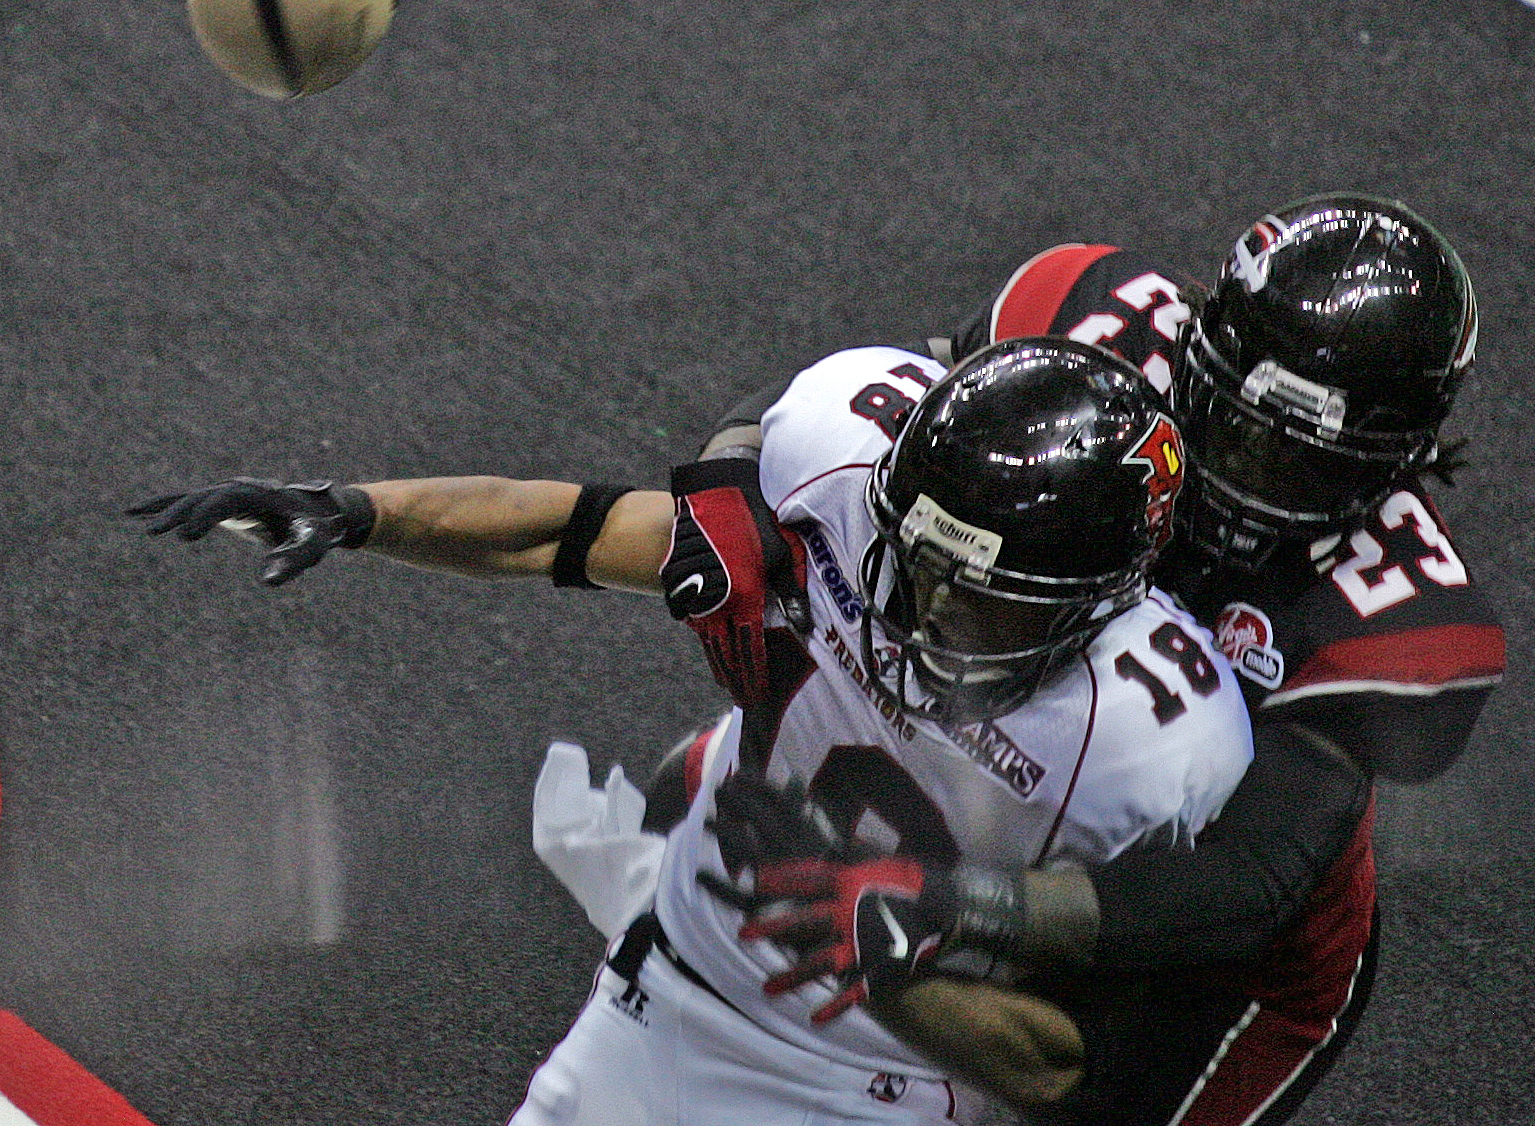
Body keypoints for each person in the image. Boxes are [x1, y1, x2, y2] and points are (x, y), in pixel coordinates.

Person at [128, 336, 1254, 1125]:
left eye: (987, 597)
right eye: (920, 566)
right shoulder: (843, 484)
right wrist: (359, 509)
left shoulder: (1154, 744)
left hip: (874, 1088)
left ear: (1101, 597)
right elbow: (569, 531)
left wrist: (878, 954)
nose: (935, 613)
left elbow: (1075, 1071)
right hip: (661, 991)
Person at [647, 194, 1503, 1125]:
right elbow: (880, 400)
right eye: (1225, 417)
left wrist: (956, 903)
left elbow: (1243, 882)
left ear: (1401, 460)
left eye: (1290, 460)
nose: (1232, 470)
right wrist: (729, 479)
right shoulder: (1094, 325)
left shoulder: (1395, 627)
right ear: (1197, 351)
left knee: (1090, 1102)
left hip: (1196, 904)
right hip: (1034, 749)